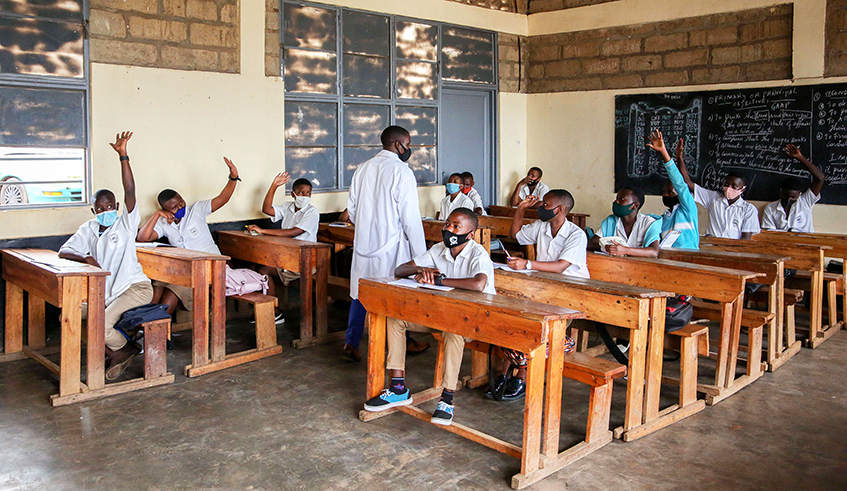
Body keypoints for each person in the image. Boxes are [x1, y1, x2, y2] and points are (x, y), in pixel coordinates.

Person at [363, 208, 494, 426]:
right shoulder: (439, 249)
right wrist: (423, 270)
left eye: (456, 227)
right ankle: (398, 389)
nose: (449, 230)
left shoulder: (477, 254)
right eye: (447, 224)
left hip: (475, 321)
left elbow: (478, 284)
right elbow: (400, 269)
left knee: (454, 332)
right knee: (395, 319)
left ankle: (447, 400)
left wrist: (440, 280)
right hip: (443, 314)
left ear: (470, 234)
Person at [59, 132, 152, 381]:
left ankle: (127, 348)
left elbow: (130, 190)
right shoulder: (89, 228)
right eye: (99, 208)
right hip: (106, 292)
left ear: (117, 207)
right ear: (93, 210)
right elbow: (64, 251)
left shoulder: (125, 224)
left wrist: (123, 155)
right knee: (68, 314)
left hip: (134, 288)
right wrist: (86, 259)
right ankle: (117, 349)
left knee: (101, 324)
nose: (105, 211)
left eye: (109, 207)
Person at [485, 189, 586, 401]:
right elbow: (517, 235)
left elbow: (560, 267)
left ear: (560, 209)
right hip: (543, 287)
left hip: (570, 291)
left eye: (546, 205)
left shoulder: (576, 234)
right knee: (515, 318)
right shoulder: (542, 226)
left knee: (536, 326)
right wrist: (520, 208)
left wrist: (527, 264)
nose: (541, 207)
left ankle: (522, 376)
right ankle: (504, 374)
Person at [343, 126, 427, 362]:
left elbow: (351, 209)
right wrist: (421, 258)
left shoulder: (362, 169)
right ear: (398, 145)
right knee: (398, 295)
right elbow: (410, 218)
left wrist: (368, 228)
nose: (409, 149)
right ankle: (403, 341)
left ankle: (351, 341)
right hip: (392, 245)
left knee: (360, 291)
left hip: (363, 242)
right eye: (408, 144)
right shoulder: (402, 172)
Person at [137, 156, 241, 318]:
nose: (180, 207)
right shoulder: (164, 223)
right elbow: (143, 238)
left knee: (171, 292)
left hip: (209, 267)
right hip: (184, 269)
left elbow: (222, 199)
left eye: (181, 202)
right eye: (174, 207)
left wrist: (233, 178)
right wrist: (156, 215)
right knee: (157, 285)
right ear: (165, 209)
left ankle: (159, 331)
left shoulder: (196, 210)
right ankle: (145, 327)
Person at [244, 173, 319, 320]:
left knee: (263, 269)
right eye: (301, 193)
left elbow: (293, 232)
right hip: (285, 256)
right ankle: (267, 308)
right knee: (255, 266)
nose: (305, 196)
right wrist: (274, 186)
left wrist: (262, 230)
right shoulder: (288, 207)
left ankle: (273, 311)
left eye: (308, 193)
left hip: (303, 260)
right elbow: (267, 209)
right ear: (293, 194)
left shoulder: (312, 212)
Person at [676, 152, 760, 239]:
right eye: (727, 184)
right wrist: (680, 159)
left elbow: (745, 239)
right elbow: (687, 182)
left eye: (734, 186)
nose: (729, 188)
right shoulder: (713, 198)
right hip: (712, 247)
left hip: (733, 250)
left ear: (743, 189)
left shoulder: (749, 209)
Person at [647, 131, 699, 249]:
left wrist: (663, 153)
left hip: (690, 261)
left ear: (679, 194)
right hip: (669, 261)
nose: (666, 194)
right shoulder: (663, 219)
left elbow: (679, 183)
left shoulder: (688, 209)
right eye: (664, 192)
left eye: (670, 192)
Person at [761, 144, 825, 232]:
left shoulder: (805, 202)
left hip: (805, 243)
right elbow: (769, 233)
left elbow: (820, 178)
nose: (789, 200)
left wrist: (800, 157)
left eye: (793, 197)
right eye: (786, 196)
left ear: (799, 194)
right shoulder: (771, 208)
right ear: (781, 192)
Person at [588, 186, 662, 257]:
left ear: (635, 205)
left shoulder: (649, 223)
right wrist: (607, 248)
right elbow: (592, 243)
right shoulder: (611, 221)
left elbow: (654, 252)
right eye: (617, 198)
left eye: (622, 199)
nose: (616, 201)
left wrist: (625, 250)